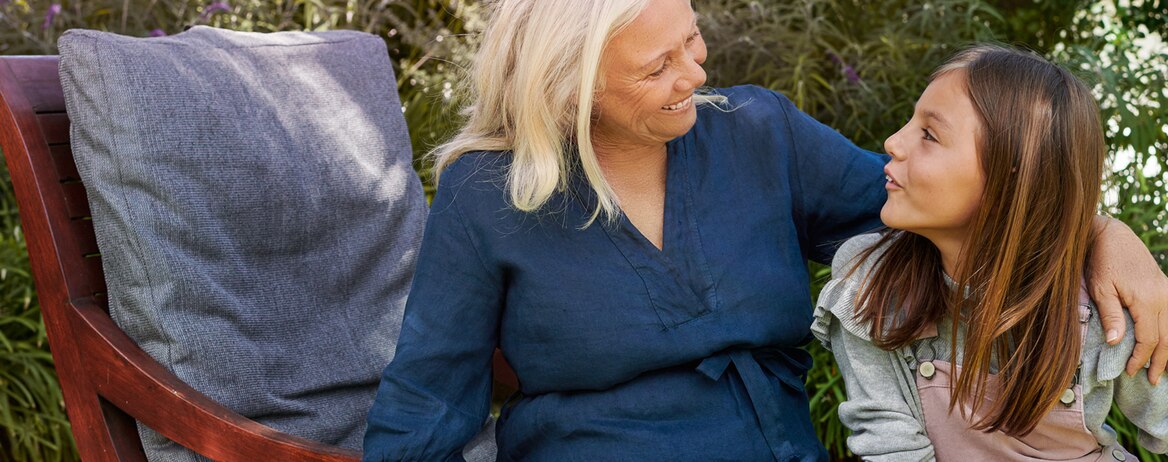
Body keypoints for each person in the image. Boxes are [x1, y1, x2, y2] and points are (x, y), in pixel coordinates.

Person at [362, 0, 1168, 460]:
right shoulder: (489, 193)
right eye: (658, 67)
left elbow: (958, 203)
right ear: (567, 89)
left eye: (692, 38)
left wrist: (1100, 229)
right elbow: (428, 399)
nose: (697, 72)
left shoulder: (758, 133)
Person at [813, 45, 1167, 460]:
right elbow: (890, 444)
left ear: (1012, 173)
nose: (893, 142)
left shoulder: (1104, 310)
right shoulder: (871, 282)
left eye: (929, 134)